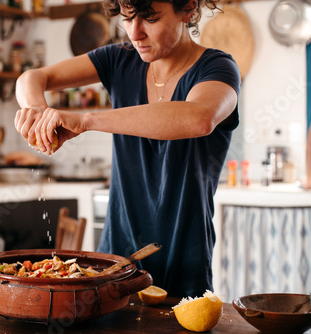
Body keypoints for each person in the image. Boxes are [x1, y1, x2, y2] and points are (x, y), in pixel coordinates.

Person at [14, 0, 240, 298]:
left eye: (150, 18)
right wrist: (38, 112)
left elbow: (198, 118)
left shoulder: (217, 68)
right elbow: (31, 78)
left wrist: (86, 121)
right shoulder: (119, 59)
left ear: (189, 10)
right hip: (115, 262)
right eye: (128, 17)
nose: (135, 33)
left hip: (184, 260)